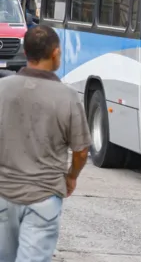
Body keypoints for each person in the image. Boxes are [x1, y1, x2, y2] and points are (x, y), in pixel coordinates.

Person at [0, 25, 92, 262]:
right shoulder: (68, 97)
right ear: (55, 53)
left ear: (26, 51)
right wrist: (71, 176)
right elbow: (81, 151)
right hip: (44, 197)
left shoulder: (2, 89)